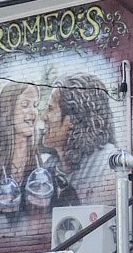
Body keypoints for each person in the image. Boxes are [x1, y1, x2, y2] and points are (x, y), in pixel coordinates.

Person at [40, 73, 117, 206]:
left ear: (74, 119)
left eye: (50, 109)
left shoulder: (108, 164)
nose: (43, 116)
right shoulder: (48, 167)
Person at [0, 83, 50, 213]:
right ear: (8, 111)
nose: (33, 112)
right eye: (25, 105)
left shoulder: (45, 153)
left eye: (35, 105)